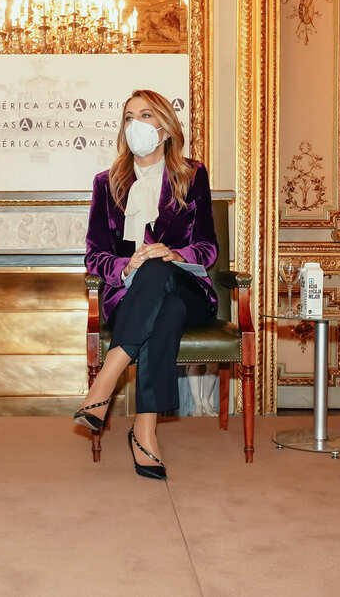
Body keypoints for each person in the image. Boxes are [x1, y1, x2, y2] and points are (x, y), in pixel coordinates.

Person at [74, 89, 217, 480]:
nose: (135, 124)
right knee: (162, 308)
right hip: (131, 296)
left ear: (165, 128)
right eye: (129, 117)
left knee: (158, 264)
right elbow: (94, 257)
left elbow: (208, 248)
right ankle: (145, 431)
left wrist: (175, 254)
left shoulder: (193, 175)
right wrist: (125, 265)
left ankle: (106, 380)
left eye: (146, 115)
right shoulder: (106, 183)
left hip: (188, 290)